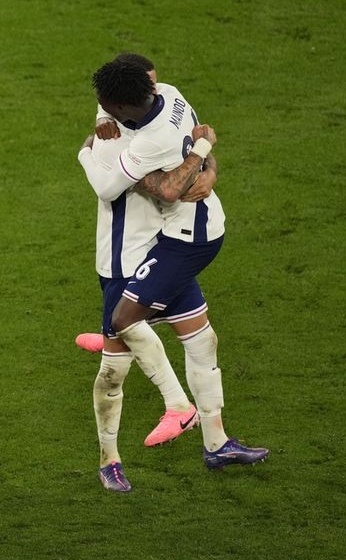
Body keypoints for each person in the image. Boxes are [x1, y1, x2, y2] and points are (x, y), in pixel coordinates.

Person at [77, 58, 268, 490]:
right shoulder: (163, 103)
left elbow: (151, 181)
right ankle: (110, 460)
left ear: (126, 106)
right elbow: (119, 152)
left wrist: (207, 167)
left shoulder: (139, 141)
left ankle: (216, 443)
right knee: (113, 370)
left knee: (202, 338)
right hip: (121, 263)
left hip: (156, 250)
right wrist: (90, 144)